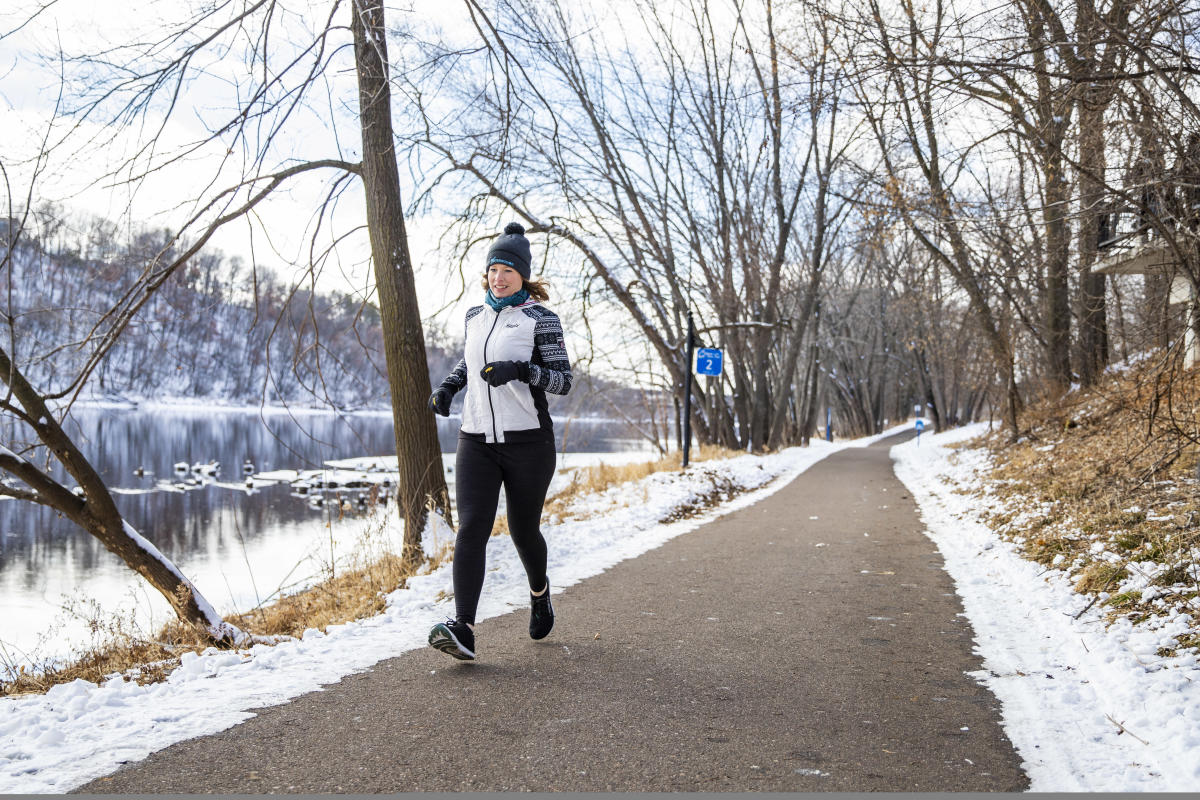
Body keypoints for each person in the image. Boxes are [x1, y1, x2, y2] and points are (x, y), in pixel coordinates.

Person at [426, 222, 573, 661]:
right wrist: (449, 388)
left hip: (528, 443)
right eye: (494, 268)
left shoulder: (540, 320)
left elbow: (563, 381)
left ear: (523, 275)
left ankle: (539, 592)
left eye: (508, 269)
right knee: (471, 529)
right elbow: (469, 365)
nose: (499, 276)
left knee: (523, 530)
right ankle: (464, 628)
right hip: (476, 441)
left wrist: (520, 370)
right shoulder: (475, 315)